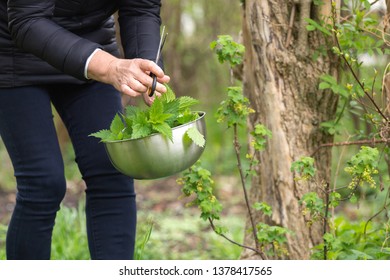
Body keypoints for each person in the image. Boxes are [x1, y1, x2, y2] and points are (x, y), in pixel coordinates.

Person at [0, 0, 170, 260]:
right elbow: (27, 20)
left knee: (112, 170)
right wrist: (109, 67)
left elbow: (140, 7)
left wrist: (146, 64)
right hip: (13, 52)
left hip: (92, 45)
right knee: (43, 184)